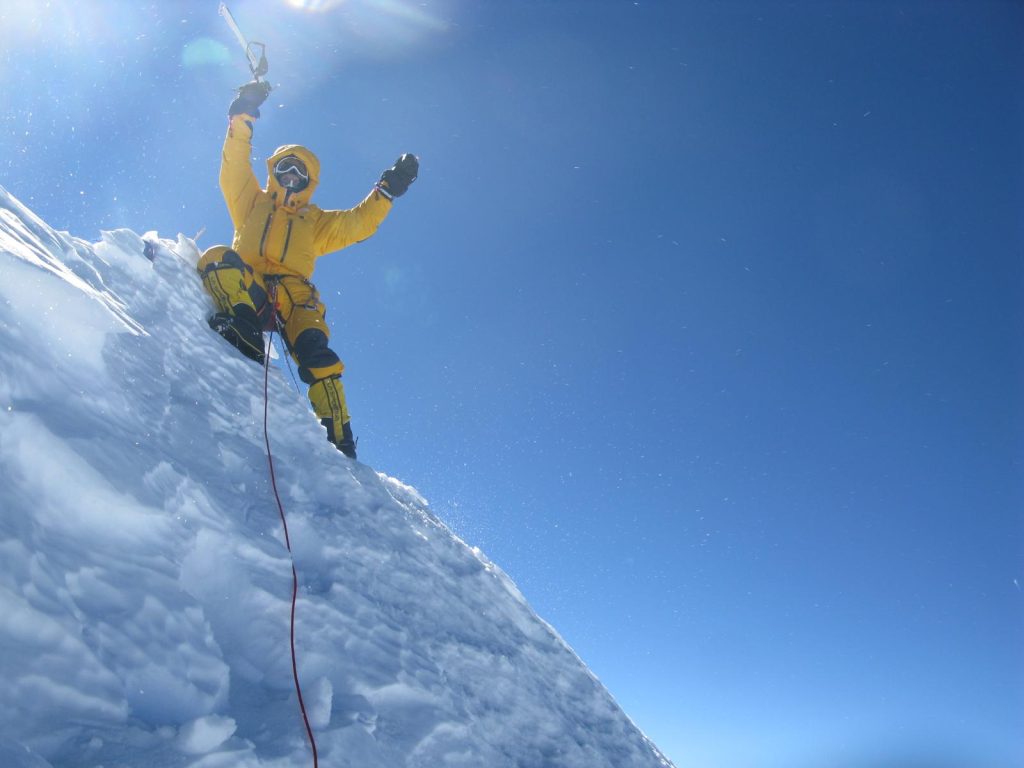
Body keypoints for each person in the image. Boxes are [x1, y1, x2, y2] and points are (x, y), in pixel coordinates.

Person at [197, 81, 418, 459]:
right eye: (284, 168)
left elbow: (356, 223)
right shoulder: (252, 201)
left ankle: (339, 432)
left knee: (316, 351)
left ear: (308, 181)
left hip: (295, 296)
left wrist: (386, 190)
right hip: (251, 283)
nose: (290, 177)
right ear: (273, 171)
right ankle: (245, 330)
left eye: (298, 172)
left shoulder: (313, 221)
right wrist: (243, 114)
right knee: (217, 258)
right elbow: (234, 165)